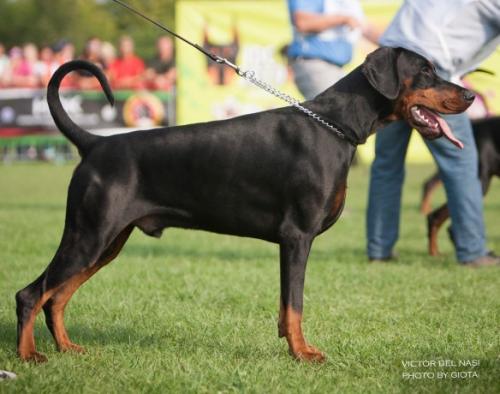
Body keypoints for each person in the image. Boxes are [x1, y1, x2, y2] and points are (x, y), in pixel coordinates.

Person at [366, 0, 500, 267]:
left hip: (392, 64)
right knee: (461, 163)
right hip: (430, 69)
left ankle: (379, 250)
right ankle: (473, 251)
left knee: (386, 165)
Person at [287, 0, 379, 100]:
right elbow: (303, 23)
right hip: (314, 63)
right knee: (330, 111)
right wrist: (343, 19)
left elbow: (363, 26)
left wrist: (394, 43)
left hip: (337, 68)